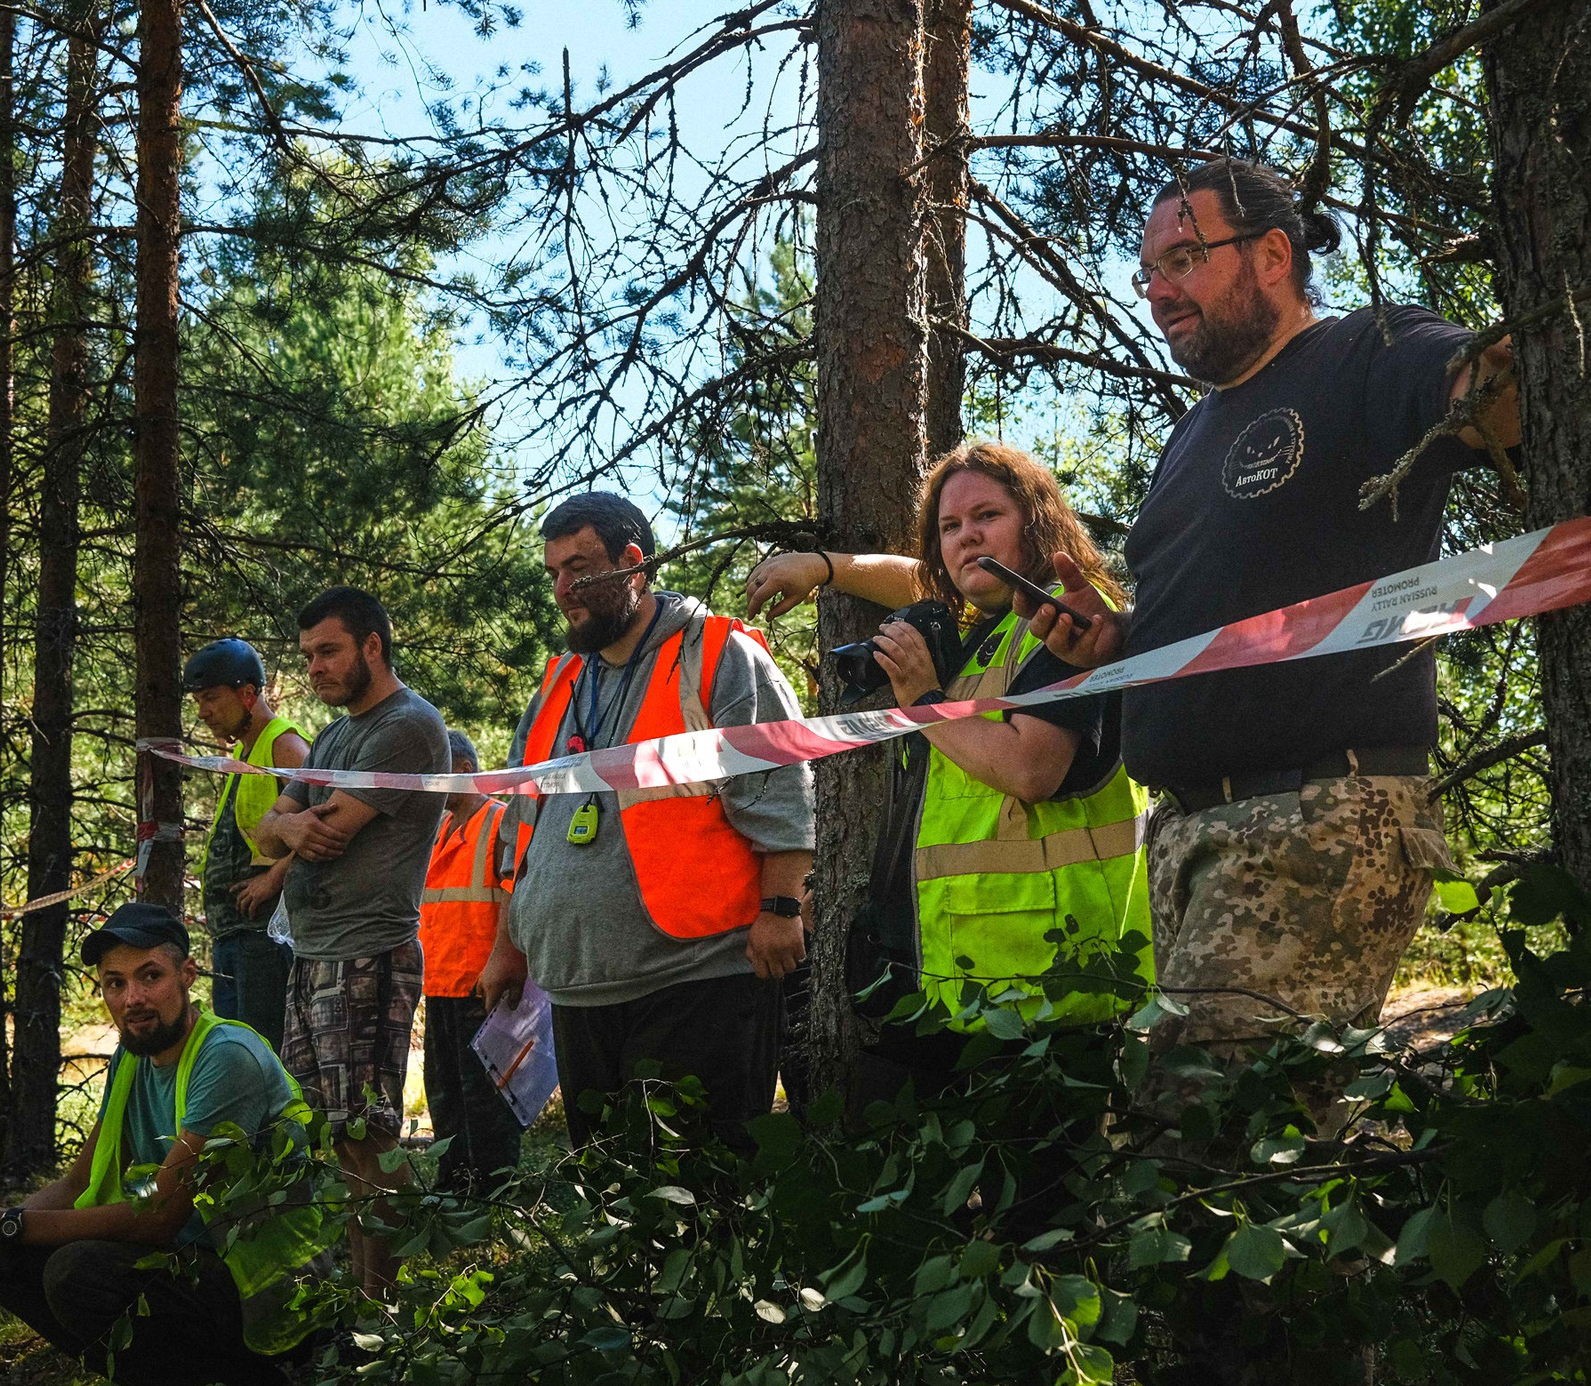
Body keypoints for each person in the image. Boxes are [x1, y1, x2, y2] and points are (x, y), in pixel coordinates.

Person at [1022, 158, 1520, 1113]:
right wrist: (1118, 644)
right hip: (1193, 834)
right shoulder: (1190, 434)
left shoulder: (1365, 350)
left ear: (1274, 255)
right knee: (1281, 1150)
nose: (1159, 291)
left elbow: (1484, 395)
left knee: (1205, 1138)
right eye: (1147, 274)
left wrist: (1491, 372)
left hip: (1313, 811)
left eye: (1183, 258)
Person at [745, 442, 1150, 1105]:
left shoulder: (1071, 620)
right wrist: (824, 567)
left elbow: (1030, 768)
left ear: (1036, 522)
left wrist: (924, 702)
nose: (968, 538)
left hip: (1055, 988)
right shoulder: (978, 626)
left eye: (987, 515)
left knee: (1042, 1209)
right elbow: (916, 581)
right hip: (955, 982)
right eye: (949, 527)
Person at [479, 492, 815, 1152]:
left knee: (696, 1192)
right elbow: (522, 827)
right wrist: (508, 945)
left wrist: (782, 906)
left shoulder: (717, 655)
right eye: (552, 573)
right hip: (579, 986)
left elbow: (783, 789)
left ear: (633, 563)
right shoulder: (557, 685)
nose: (562, 589)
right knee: (612, 1194)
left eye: (578, 568)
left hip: (698, 977)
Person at [0, 902, 321, 1386]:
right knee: (4, 1261)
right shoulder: (133, 1058)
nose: (133, 999)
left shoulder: (224, 1057)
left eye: (150, 976)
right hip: (196, 1255)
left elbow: (158, 1217)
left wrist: (10, 1225)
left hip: (271, 1286)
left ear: (187, 975)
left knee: (75, 1272)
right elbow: (80, 1180)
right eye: (114, 983)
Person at [250, 587, 449, 1283]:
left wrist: (293, 826)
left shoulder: (409, 726)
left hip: (367, 953)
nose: (314, 668)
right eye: (307, 656)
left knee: (370, 1136)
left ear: (373, 645)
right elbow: (268, 826)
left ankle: (382, 1312)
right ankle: (360, 1303)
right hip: (314, 955)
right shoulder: (332, 736)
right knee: (338, 1136)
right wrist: (286, 826)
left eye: (328, 650)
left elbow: (325, 829)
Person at [181, 637, 310, 1051]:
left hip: (264, 942)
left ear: (248, 694)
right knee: (235, 1055)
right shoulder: (246, 752)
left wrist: (273, 878)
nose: (203, 712)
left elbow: (326, 820)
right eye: (199, 700)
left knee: (262, 1056)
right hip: (235, 940)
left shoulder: (284, 744)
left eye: (211, 698)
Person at [417, 728, 524, 1192]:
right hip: (440, 982)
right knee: (445, 1097)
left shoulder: (499, 821)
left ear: (463, 770)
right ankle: (453, 1184)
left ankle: (493, 1194)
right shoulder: (439, 830)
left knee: (485, 1101)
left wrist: (502, 964)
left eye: (434, 775)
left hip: (482, 986)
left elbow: (511, 894)